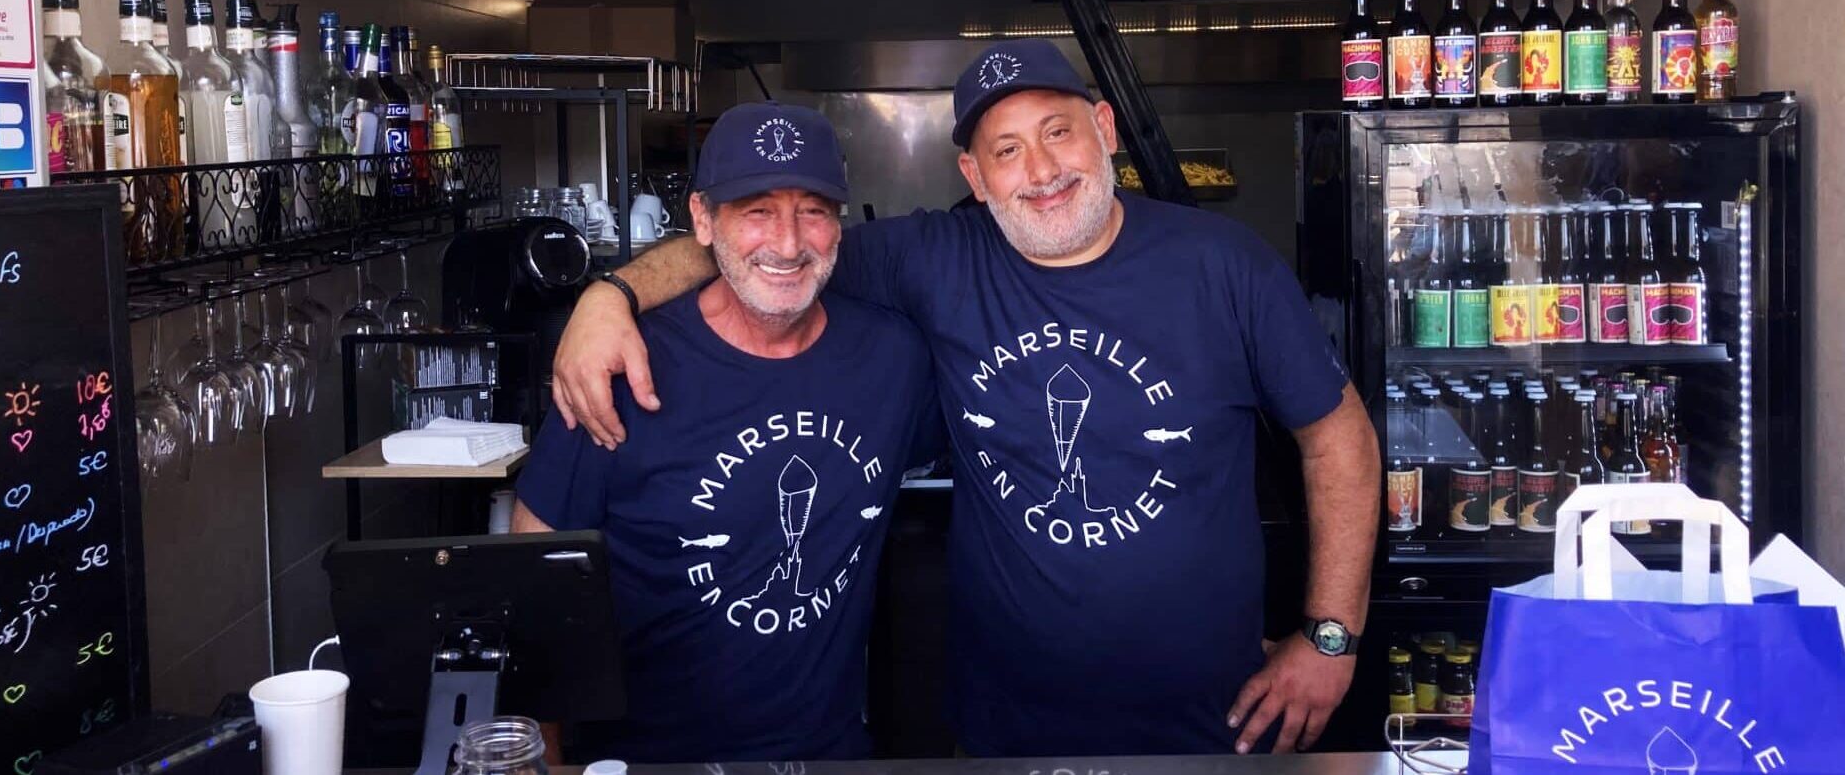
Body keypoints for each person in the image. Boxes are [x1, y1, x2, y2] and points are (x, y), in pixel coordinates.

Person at [553, 40, 1380, 757]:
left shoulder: (1226, 266)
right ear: (973, 175)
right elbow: (773, 248)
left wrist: (1331, 635)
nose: (1043, 170)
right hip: (1004, 736)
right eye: (1008, 149)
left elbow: (1337, 435)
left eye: (1058, 132)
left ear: (1106, 129)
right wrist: (610, 294)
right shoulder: (934, 259)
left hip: (1215, 728)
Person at [513, 102, 934, 761]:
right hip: (646, 759)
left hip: (826, 754)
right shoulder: (618, 366)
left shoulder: (893, 359)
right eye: (757, 209)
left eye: (814, 209)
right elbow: (535, 592)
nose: (789, 243)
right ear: (704, 219)